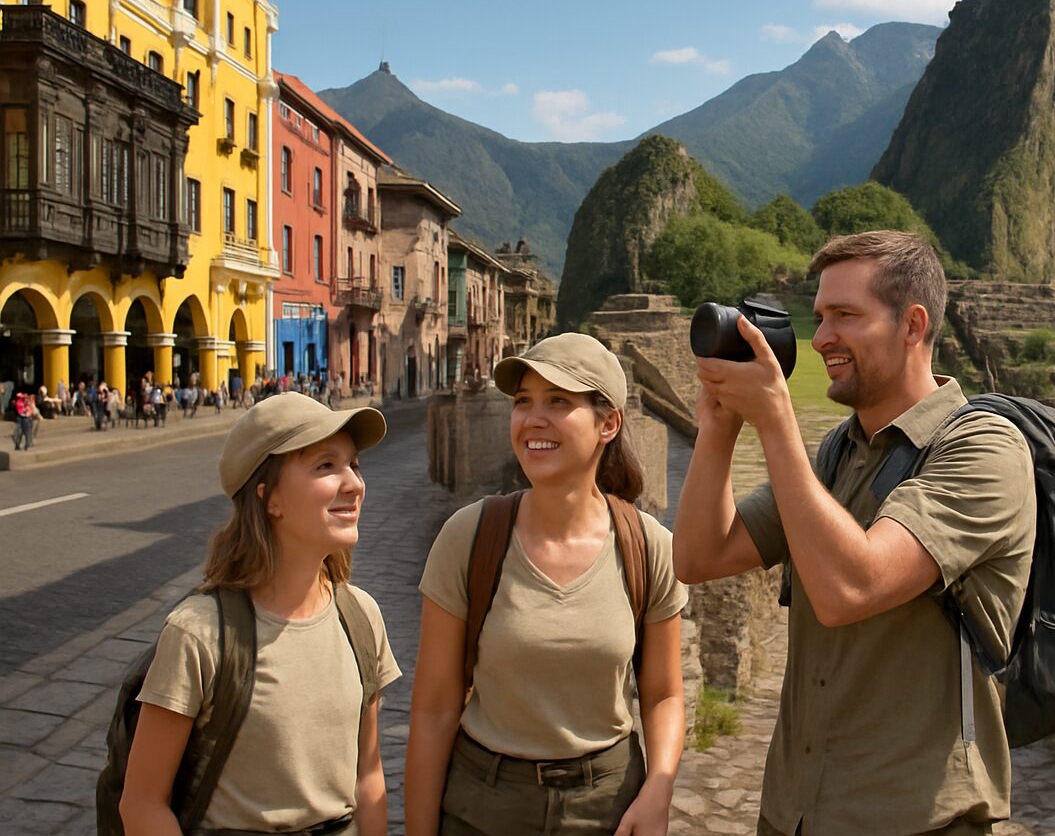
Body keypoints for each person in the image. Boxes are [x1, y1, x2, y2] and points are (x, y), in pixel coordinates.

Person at [672, 230, 1036, 836]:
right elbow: (698, 555)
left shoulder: (983, 451)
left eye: (845, 316)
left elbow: (851, 589)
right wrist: (720, 427)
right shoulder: (838, 455)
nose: (819, 340)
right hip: (795, 810)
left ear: (912, 325)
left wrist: (777, 421)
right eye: (818, 317)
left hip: (913, 817)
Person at [405, 332, 688, 836]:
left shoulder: (648, 547)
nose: (533, 419)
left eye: (558, 402)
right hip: (484, 806)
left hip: (607, 806)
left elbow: (663, 692)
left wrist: (659, 789)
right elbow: (433, 708)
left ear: (608, 423)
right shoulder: (469, 537)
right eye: (523, 402)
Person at [118, 392, 400, 835]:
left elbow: (368, 778)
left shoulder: (361, 617)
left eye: (353, 464)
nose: (354, 483)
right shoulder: (199, 634)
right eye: (326, 466)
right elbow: (142, 804)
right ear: (270, 499)